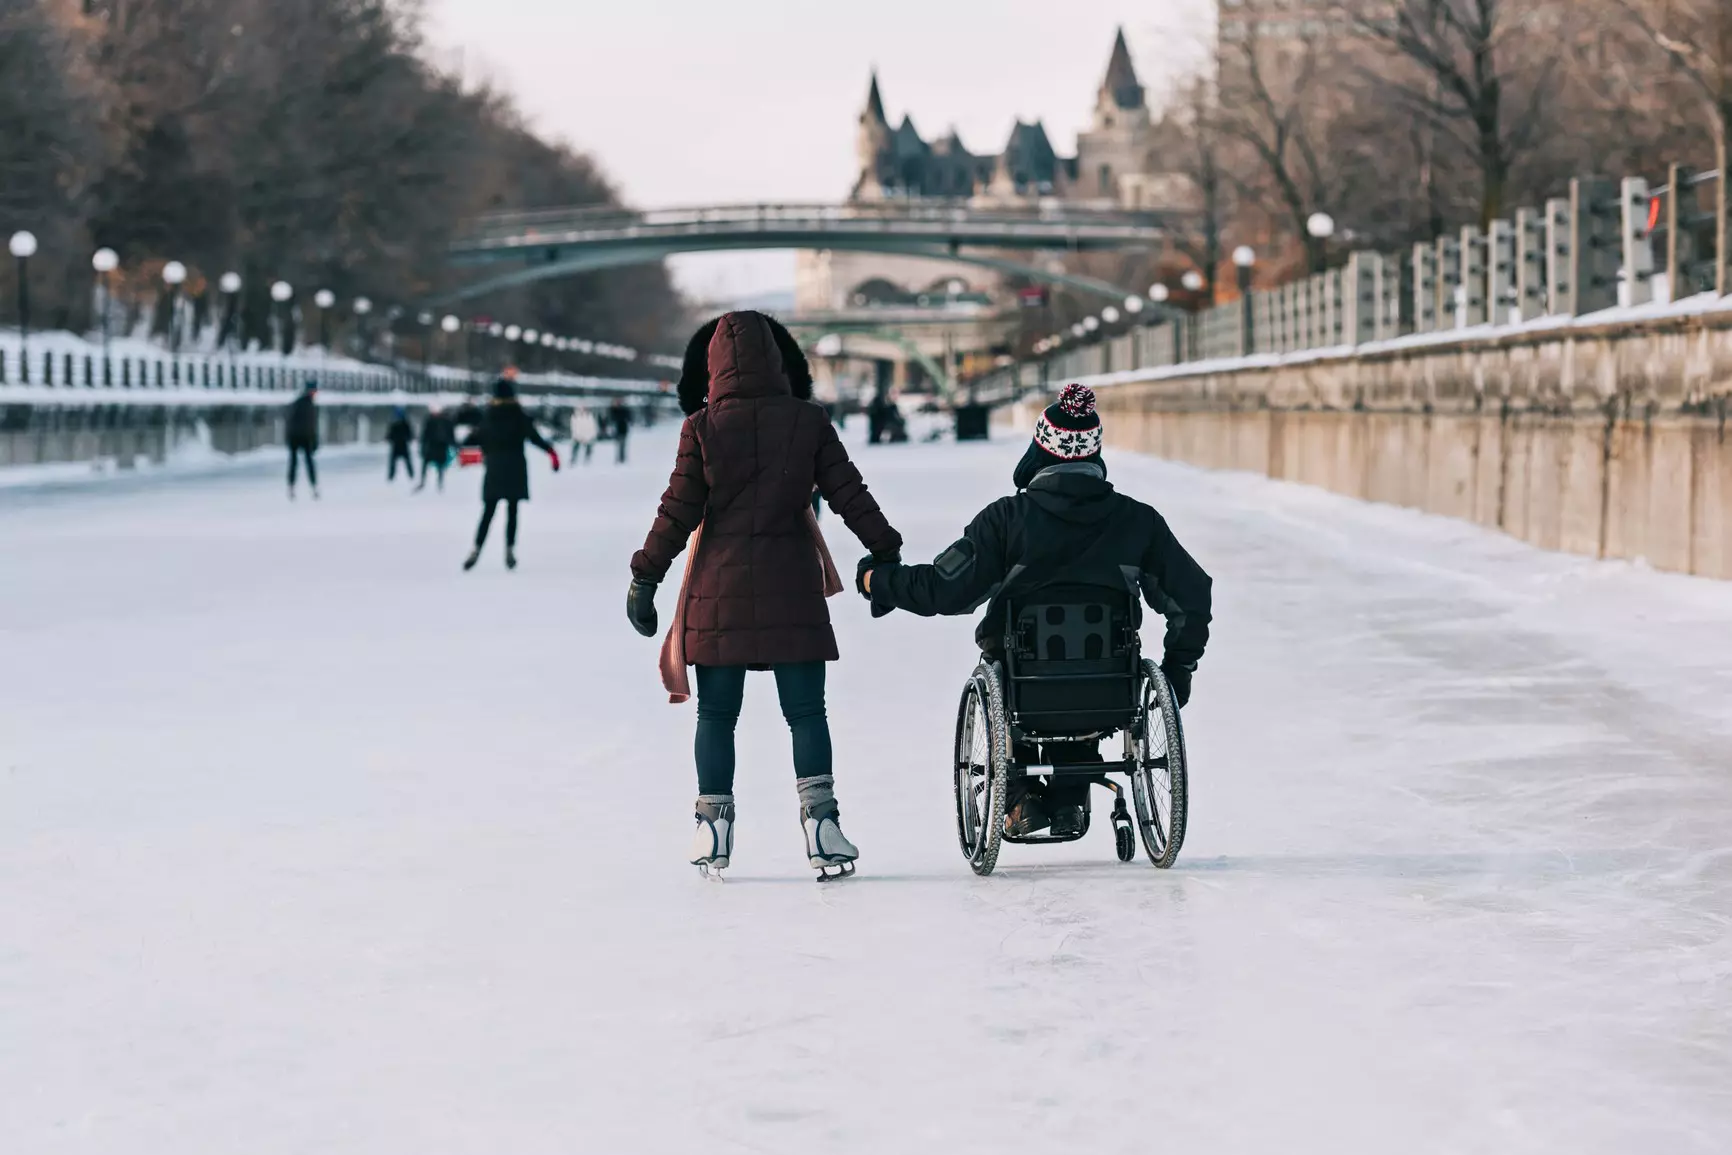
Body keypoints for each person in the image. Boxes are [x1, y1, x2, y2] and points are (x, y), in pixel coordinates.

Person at [859, 383, 1212, 839]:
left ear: (1040, 451)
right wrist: (1178, 668)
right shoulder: (1137, 521)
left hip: (1024, 690)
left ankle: (1019, 799)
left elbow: (944, 590)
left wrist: (878, 582)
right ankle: (1069, 798)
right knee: (1085, 677)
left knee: (1018, 673)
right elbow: (1192, 594)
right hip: (1110, 690)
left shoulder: (1007, 521)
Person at [626, 311, 902, 879]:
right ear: (779, 361)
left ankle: (712, 827)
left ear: (713, 367)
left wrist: (644, 576)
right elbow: (850, 493)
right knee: (806, 713)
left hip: (717, 592)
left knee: (717, 714)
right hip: (791, 589)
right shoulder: (807, 421)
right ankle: (822, 825)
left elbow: (676, 511)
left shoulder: (702, 428)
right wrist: (885, 550)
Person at [462, 368, 559, 571]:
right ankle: (509, 549)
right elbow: (533, 437)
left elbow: (476, 439)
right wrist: (551, 452)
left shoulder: (488, 416)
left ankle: (476, 548)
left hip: (495, 468)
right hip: (515, 467)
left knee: (488, 511)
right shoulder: (518, 415)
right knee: (512, 510)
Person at [286, 380, 319, 500]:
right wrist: (314, 439)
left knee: (296, 463)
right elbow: (311, 425)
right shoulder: (308, 405)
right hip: (303, 437)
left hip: (298, 437)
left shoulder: (300, 403)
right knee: (306, 463)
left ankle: (293, 487)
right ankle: (311, 487)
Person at [416, 405, 455, 493]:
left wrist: (452, 443)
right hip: (432, 446)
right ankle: (424, 481)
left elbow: (450, 433)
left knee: (440, 466)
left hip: (440, 446)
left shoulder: (445, 421)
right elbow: (425, 434)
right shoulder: (430, 421)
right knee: (427, 464)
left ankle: (439, 483)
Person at [385, 407, 415, 483]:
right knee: (394, 462)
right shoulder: (396, 424)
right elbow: (390, 434)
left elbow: (410, 434)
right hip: (398, 445)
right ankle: (392, 476)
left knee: (405, 462)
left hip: (401, 445)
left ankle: (410, 475)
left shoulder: (404, 424)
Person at [607, 398, 631, 464]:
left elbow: (628, 418)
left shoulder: (624, 410)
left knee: (622, 445)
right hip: (617, 430)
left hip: (623, 430)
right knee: (618, 445)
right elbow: (612, 417)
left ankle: (622, 458)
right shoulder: (614, 410)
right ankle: (619, 458)